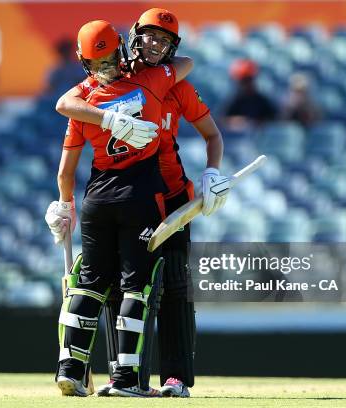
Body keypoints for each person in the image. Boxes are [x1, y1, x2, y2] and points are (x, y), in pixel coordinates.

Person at [54, 8, 230, 398]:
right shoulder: (127, 77)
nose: (155, 44)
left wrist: (212, 173)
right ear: (129, 39)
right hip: (141, 195)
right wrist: (109, 119)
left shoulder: (172, 83)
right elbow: (68, 101)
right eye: (149, 36)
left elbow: (211, 134)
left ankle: (175, 378)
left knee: (173, 289)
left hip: (173, 199)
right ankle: (128, 379)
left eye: (164, 40)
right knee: (128, 288)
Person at [223, 59, 277, 130]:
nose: (246, 84)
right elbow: (222, 121)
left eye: (248, 79)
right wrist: (237, 122)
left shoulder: (261, 101)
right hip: (238, 139)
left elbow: (274, 121)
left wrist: (258, 123)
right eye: (243, 81)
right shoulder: (234, 100)